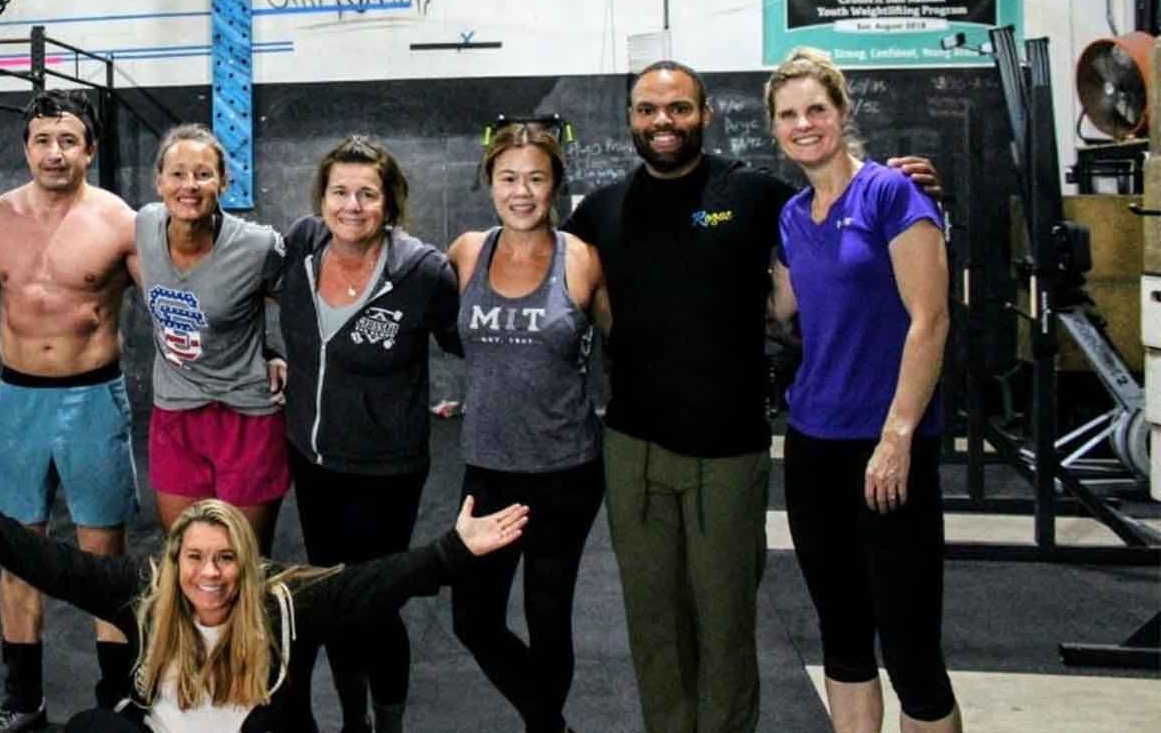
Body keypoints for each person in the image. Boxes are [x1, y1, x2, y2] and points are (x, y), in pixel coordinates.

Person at [562, 60, 939, 733]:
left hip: (731, 447)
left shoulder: (762, 196)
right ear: (631, 121)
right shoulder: (600, 212)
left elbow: (857, 220)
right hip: (640, 444)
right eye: (648, 109)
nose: (663, 121)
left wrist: (914, 186)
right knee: (656, 621)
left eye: (679, 108)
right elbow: (573, 292)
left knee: (729, 617)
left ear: (707, 115)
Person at [0, 467, 531, 733]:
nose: (210, 574)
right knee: (94, 728)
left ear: (247, 561)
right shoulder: (145, 594)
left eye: (226, 558)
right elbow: (50, 565)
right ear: (175, 561)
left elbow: (382, 581)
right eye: (196, 559)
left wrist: (454, 549)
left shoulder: (287, 604)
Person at [764, 48, 960, 733]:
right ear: (776, 129)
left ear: (843, 113)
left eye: (817, 109)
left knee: (911, 651)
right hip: (815, 445)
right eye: (789, 115)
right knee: (843, 640)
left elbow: (930, 321)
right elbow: (780, 311)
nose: (804, 124)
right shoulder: (792, 216)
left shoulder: (891, 194)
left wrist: (898, 436)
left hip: (889, 448)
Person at [0, 89, 141, 733]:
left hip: (93, 400)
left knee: (102, 555)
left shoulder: (120, 221)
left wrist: (265, 349)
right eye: (42, 140)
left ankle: (118, 696)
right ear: (25, 148)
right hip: (18, 400)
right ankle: (23, 698)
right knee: (16, 549)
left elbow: (179, 309)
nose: (55, 153)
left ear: (90, 149)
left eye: (68, 141)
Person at [273, 135, 461, 733]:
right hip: (312, 457)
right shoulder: (301, 246)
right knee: (332, 599)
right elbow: (239, 292)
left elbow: (473, 341)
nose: (352, 205)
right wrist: (272, 352)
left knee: (376, 604)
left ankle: (389, 724)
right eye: (340, 191)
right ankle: (353, 721)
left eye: (368, 194)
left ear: (390, 202)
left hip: (387, 469)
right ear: (322, 198)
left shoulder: (422, 272)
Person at [445, 122, 607, 733]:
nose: (522, 191)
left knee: (547, 615)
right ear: (490, 182)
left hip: (565, 470)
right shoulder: (467, 251)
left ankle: (543, 728)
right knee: (473, 618)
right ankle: (552, 724)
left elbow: (635, 339)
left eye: (536, 178)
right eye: (508, 177)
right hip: (486, 465)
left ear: (556, 186)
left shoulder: (582, 259)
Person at [133, 124, 290, 552]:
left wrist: (278, 354)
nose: (189, 185)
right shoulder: (145, 226)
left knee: (244, 559)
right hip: (176, 414)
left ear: (224, 182)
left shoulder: (257, 247)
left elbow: (306, 310)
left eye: (203, 174)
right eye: (178, 173)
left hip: (246, 415)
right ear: (158, 181)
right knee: (186, 556)